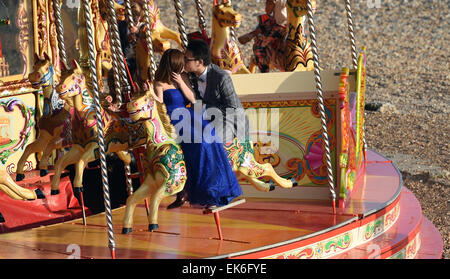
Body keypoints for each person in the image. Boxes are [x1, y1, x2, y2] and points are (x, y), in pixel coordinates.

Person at [153, 49, 242, 209]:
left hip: (189, 115)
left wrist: (180, 83)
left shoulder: (181, 79)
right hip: (174, 118)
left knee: (212, 139)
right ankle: (207, 193)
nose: (184, 67)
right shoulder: (159, 83)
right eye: (181, 64)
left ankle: (219, 188)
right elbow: (159, 103)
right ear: (174, 64)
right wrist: (150, 93)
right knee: (201, 145)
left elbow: (192, 98)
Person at [238, 0, 287, 73]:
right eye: (267, 3)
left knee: (258, 47)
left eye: (268, 3)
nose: (266, 6)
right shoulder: (270, 20)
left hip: (280, 27)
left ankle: (264, 70)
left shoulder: (277, 23)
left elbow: (268, 11)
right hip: (283, 23)